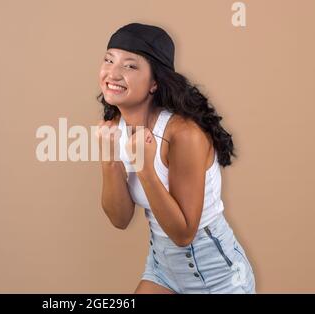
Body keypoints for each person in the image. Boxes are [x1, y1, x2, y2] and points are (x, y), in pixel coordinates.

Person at [95, 23, 256, 294]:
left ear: (154, 82)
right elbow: (120, 219)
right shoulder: (115, 126)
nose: (113, 72)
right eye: (109, 60)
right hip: (162, 269)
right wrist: (109, 160)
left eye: (130, 66)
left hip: (218, 277)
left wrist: (145, 168)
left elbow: (183, 234)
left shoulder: (183, 135)